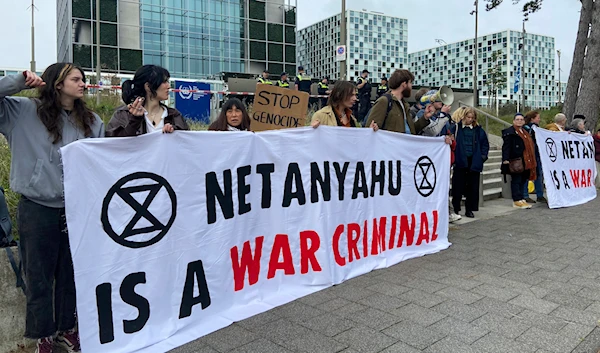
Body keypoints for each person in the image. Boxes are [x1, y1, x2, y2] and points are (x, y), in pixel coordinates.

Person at [0, 64, 105, 353]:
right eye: (76, 79)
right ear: (57, 83)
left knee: (72, 275)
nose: (83, 83)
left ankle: (67, 331)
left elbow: (103, 161)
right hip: (37, 208)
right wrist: (17, 82)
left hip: (76, 210)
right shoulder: (21, 112)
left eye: (83, 78)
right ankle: (43, 336)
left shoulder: (93, 121)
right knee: (39, 276)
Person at [106, 65, 189, 137]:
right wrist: (134, 122)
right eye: (164, 82)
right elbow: (114, 145)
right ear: (148, 86)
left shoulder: (174, 115)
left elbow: (187, 143)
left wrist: (175, 132)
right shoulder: (123, 114)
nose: (168, 86)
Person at [450, 107, 489, 218]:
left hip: (474, 161)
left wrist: (482, 157)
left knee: (472, 188)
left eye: (472, 118)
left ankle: (469, 209)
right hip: (460, 161)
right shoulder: (456, 128)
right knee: (457, 187)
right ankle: (456, 208)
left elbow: (485, 145)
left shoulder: (478, 130)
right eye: (468, 117)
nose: (470, 119)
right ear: (464, 116)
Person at [365, 69, 431, 134]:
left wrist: (425, 117)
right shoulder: (384, 101)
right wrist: (373, 128)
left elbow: (410, 131)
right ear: (404, 84)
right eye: (410, 82)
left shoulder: (404, 104)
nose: (411, 86)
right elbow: (369, 130)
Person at [502, 113, 537, 209]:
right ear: (513, 121)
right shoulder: (510, 132)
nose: (519, 121)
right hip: (516, 160)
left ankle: (521, 198)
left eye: (521, 119)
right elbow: (506, 147)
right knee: (516, 180)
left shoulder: (525, 132)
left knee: (523, 180)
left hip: (526, 160)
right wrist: (505, 159)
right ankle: (516, 199)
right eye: (517, 119)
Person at [522, 111, 547, 203]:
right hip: (531, 154)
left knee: (537, 174)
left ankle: (538, 194)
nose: (539, 120)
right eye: (538, 118)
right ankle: (527, 194)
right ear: (532, 119)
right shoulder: (528, 128)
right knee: (530, 174)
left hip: (536, 154)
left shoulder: (536, 128)